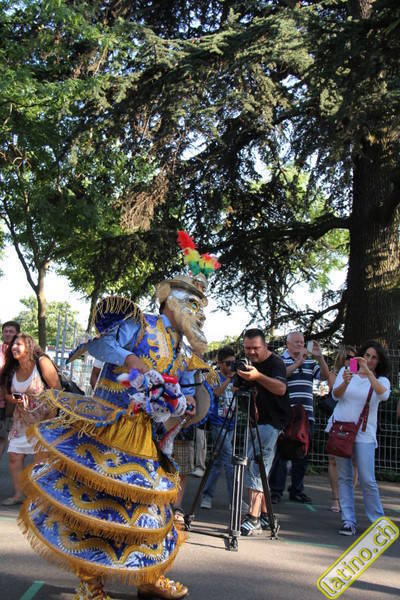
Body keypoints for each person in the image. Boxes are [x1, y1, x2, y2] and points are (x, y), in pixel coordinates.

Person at [19, 231, 219, 600]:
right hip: (108, 428)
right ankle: (90, 584)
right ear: (169, 300)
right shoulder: (139, 323)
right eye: (191, 301)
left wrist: (187, 404)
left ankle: (149, 576)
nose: (198, 311)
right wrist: (129, 358)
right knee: (98, 506)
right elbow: (97, 345)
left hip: (146, 438)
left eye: (200, 304)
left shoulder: (183, 350)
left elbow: (184, 391)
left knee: (150, 508)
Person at [332, 340, 390, 536]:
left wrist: (368, 373)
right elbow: (335, 395)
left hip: (365, 434)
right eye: (367, 356)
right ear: (361, 355)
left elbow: (383, 395)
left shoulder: (382, 380)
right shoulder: (347, 371)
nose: (369, 360)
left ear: (379, 361)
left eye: (374, 358)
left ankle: (377, 521)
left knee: (367, 479)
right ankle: (348, 521)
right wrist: (346, 381)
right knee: (344, 477)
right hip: (342, 430)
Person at [239, 329, 290, 537]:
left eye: (255, 348)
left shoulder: (275, 363)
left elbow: (281, 389)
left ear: (265, 346)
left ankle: (253, 518)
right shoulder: (247, 362)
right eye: (247, 348)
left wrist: (258, 376)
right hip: (254, 421)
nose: (251, 352)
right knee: (260, 467)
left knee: (257, 466)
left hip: (272, 421)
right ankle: (266, 516)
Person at [0, 333, 60, 506]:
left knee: (40, 460)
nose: (14, 347)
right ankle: (19, 494)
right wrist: (13, 399)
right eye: (13, 345)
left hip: (44, 419)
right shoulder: (12, 368)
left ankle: (38, 498)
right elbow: (7, 393)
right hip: (21, 420)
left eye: (18, 344)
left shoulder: (42, 363)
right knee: (14, 456)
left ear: (29, 346)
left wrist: (51, 419)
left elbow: (57, 390)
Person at [269, 331, 329, 504]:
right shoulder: (280, 360)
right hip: (286, 414)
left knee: (302, 454)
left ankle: (297, 490)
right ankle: (276, 491)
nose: (300, 345)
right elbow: (282, 375)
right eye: (296, 342)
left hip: (306, 416)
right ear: (287, 344)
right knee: (282, 453)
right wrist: (298, 363)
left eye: (302, 342)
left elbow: (324, 376)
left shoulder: (310, 362)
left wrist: (320, 357)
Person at [200, 346, 236, 510]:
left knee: (216, 462)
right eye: (228, 363)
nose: (231, 366)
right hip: (218, 423)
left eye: (233, 363)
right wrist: (229, 379)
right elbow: (216, 393)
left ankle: (207, 496)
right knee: (229, 461)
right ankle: (234, 500)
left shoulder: (237, 377)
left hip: (231, 423)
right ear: (220, 363)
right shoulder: (214, 376)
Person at [326, 345, 358, 512]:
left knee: (354, 461)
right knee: (333, 459)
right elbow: (335, 394)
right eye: (347, 358)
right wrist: (345, 378)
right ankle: (336, 498)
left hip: (356, 422)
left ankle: (348, 497)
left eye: (353, 358)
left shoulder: (362, 375)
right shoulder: (338, 374)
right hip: (339, 419)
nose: (351, 361)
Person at [0, 321, 20, 458]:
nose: (7, 334)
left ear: (17, 334)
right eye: (5, 331)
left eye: (11, 331)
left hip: (9, 403)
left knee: (2, 436)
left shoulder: (20, 353)